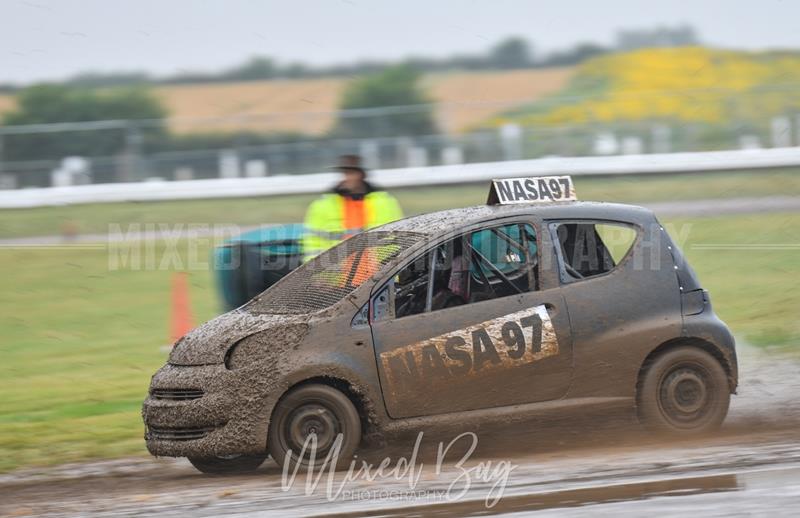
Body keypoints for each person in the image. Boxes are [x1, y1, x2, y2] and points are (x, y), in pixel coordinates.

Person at [302, 155, 403, 260]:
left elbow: (398, 236)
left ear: (361, 175)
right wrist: (315, 270)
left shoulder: (386, 202)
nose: (347, 178)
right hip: (338, 272)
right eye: (344, 173)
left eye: (350, 173)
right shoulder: (322, 205)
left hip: (381, 270)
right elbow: (312, 243)